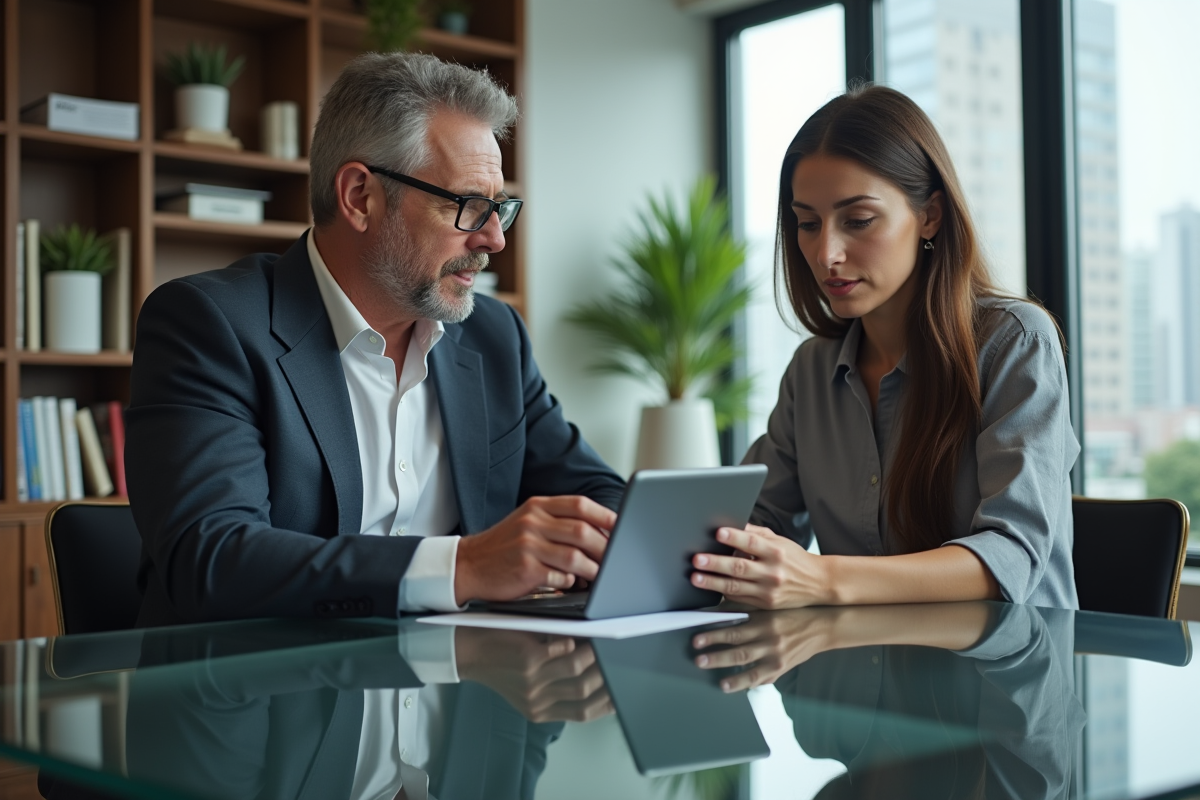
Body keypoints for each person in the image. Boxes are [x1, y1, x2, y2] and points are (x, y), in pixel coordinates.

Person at [126, 52, 625, 627]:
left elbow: (597, 493)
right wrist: (462, 566)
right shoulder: (209, 324)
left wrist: (709, 559)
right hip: (262, 698)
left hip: (463, 693)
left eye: (499, 210)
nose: (494, 239)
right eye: (467, 206)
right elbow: (211, 558)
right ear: (360, 196)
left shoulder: (494, 336)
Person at [690, 85, 1079, 609]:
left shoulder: (1015, 343)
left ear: (931, 216)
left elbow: (1012, 551)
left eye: (858, 220)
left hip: (1003, 678)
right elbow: (755, 524)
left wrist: (823, 579)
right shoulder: (812, 371)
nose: (826, 252)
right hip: (854, 685)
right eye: (807, 224)